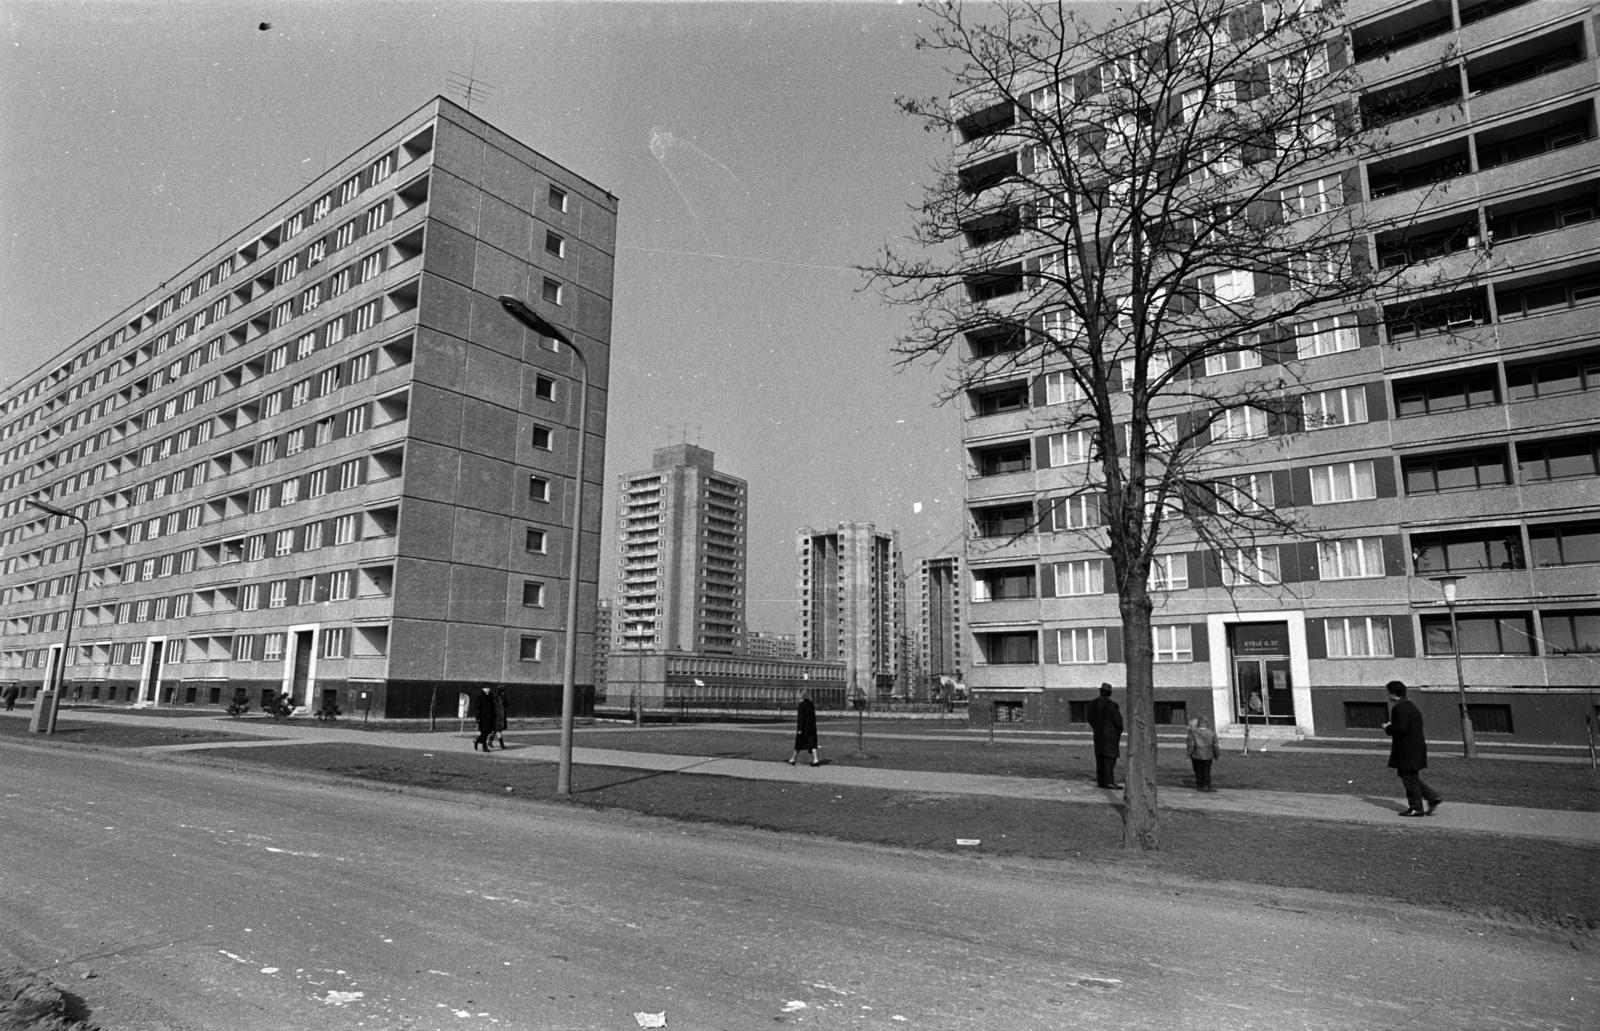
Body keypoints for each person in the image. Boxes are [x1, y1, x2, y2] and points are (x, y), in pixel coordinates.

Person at [1384, 680, 1441, 817]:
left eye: (1389, 693)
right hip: (1415, 747)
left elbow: (1401, 728)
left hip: (1407, 749)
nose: (1388, 696)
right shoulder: (1410, 705)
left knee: (1408, 777)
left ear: (1393, 693)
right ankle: (1432, 797)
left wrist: (1388, 728)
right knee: (1409, 776)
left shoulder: (1399, 707)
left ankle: (1416, 808)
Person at [1085, 683, 1124, 789]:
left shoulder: (1092, 704)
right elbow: (1118, 722)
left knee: (1100, 758)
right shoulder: (1112, 705)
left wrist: (1096, 727)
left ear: (1101, 691)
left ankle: (1101, 781)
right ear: (1109, 693)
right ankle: (1109, 781)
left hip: (1098, 734)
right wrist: (1118, 732)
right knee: (1110, 759)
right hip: (1110, 735)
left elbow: (1089, 718)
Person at [1186, 716, 1220, 792]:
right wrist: (1217, 754)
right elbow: (1215, 746)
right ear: (1206, 724)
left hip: (1197, 755)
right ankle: (1206, 785)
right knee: (1207, 771)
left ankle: (1199, 785)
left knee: (1198, 770)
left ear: (1198, 724)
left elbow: (1191, 745)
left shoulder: (1194, 733)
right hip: (1208, 755)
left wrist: (1189, 753)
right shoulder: (1212, 733)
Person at [788, 690, 820, 767]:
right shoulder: (811, 705)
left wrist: (799, 729)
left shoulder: (801, 705)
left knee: (798, 743)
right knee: (812, 744)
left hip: (804, 728)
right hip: (811, 727)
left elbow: (801, 718)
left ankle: (793, 759)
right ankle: (815, 759)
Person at [472, 685, 497, 752]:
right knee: (484, 732)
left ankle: (477, 740)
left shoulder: (490, 696)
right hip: (483, 717)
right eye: (486, 688)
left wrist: (494, 716)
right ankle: (484, 748)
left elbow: (492, 707)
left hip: (490, 717)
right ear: (483, 689)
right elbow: (477, 708)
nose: (487, 689)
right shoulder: (480, 697)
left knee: (487, 732)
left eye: (488, 688)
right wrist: (478, 718)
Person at [490, 686, 510, 750]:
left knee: (496, 730)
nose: (503, 692)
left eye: (504, 691)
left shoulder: (504, 698)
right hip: (497, 715)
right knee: (499, 730)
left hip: (502, 715)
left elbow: (507, 705)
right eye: (502, 691)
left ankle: (490, 741)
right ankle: (501, 744)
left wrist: (505, 699)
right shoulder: (495, 698)